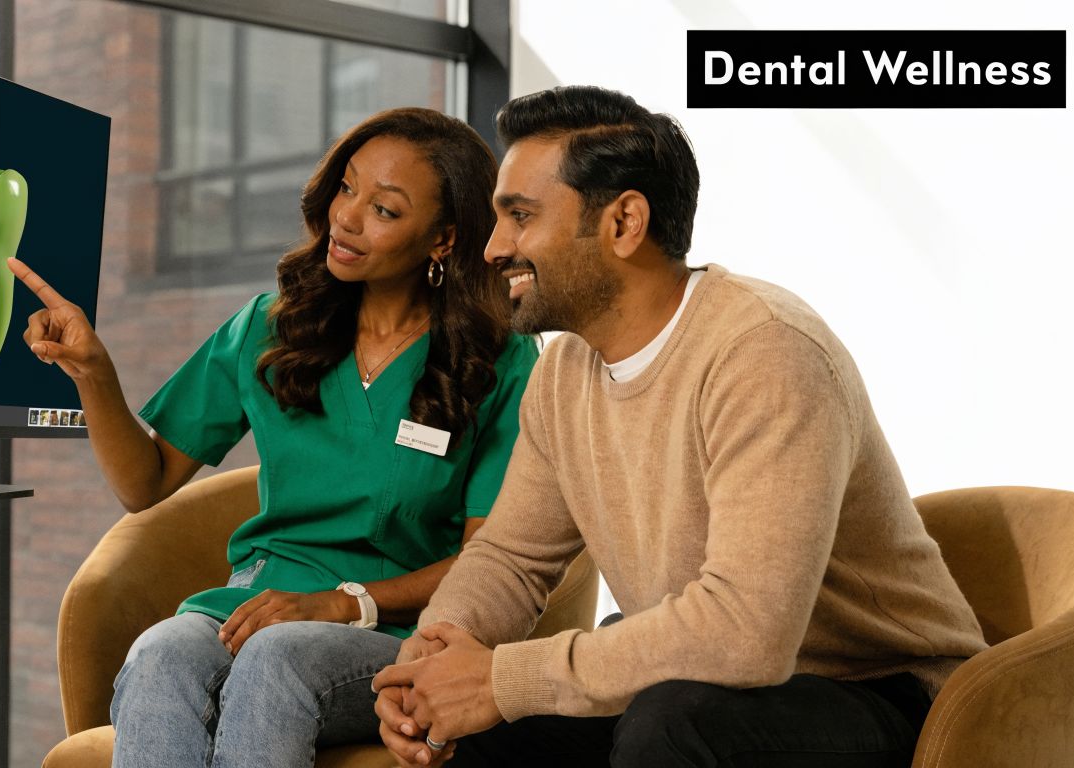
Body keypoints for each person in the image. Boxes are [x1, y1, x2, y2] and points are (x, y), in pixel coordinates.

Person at [372, 86, 988, 768]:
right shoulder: (564, 371)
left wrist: (502, 679)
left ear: (624, 222)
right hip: (705, 682)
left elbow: (746, 631)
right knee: (480, 727)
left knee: (668, 724)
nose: (493, 247)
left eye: (521, 216)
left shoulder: (764, 352)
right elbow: (511, 557)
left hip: (883, 692)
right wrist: (430, 663)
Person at [6, 108, 539, 767]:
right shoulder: (270, 326)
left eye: (384, 209)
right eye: (346, 188)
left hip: (397, 628)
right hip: (252, 607)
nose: (346, 218)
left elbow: (491, 562)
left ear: (443, 239)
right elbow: (143, 482)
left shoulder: (500, 360)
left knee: (276, 659)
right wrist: (93, 372)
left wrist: (343, 605)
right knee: (161, 654)